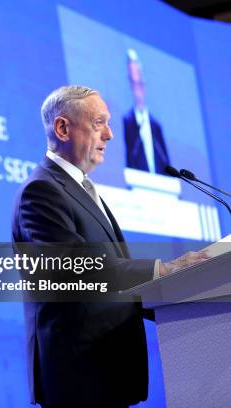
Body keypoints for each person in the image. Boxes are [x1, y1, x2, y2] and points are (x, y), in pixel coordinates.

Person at [12, 85, 207, 407]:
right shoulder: (42, 191)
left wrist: (182, 301)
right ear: (63, 128)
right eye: (99, 122)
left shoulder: (83, 189)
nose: (111, 135)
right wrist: (165, 270)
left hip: (106, 371)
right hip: (79, 375)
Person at [123, 49, 170, 174]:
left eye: (140, 83)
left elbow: (166, 162)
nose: (138, 88)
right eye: (134, 83)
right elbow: (129, 159)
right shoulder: (128, 121)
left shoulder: (155, 125)